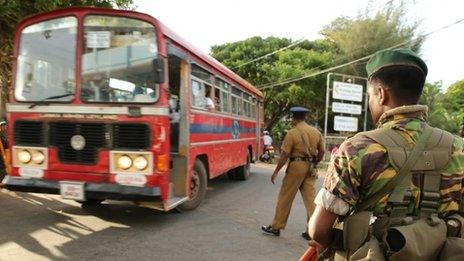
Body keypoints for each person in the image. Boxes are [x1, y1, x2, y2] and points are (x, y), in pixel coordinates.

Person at [307, 49, 464, 259]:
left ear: (381, 94)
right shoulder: (459, 148)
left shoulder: (357, 148)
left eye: (370, 96)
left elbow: (318, 230)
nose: (370, 102)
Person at [261, 106, 325, 237]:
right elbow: (322, 151)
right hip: (310, 167)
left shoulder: (292, 133)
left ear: (293, 118)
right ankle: (312, 230)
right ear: (305, 117)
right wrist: (315, 162)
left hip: (296, 167)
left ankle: (276, 226)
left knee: (285, 196)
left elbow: (284, 154)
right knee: (311, 200)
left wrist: (276, 171)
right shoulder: (315, 132)